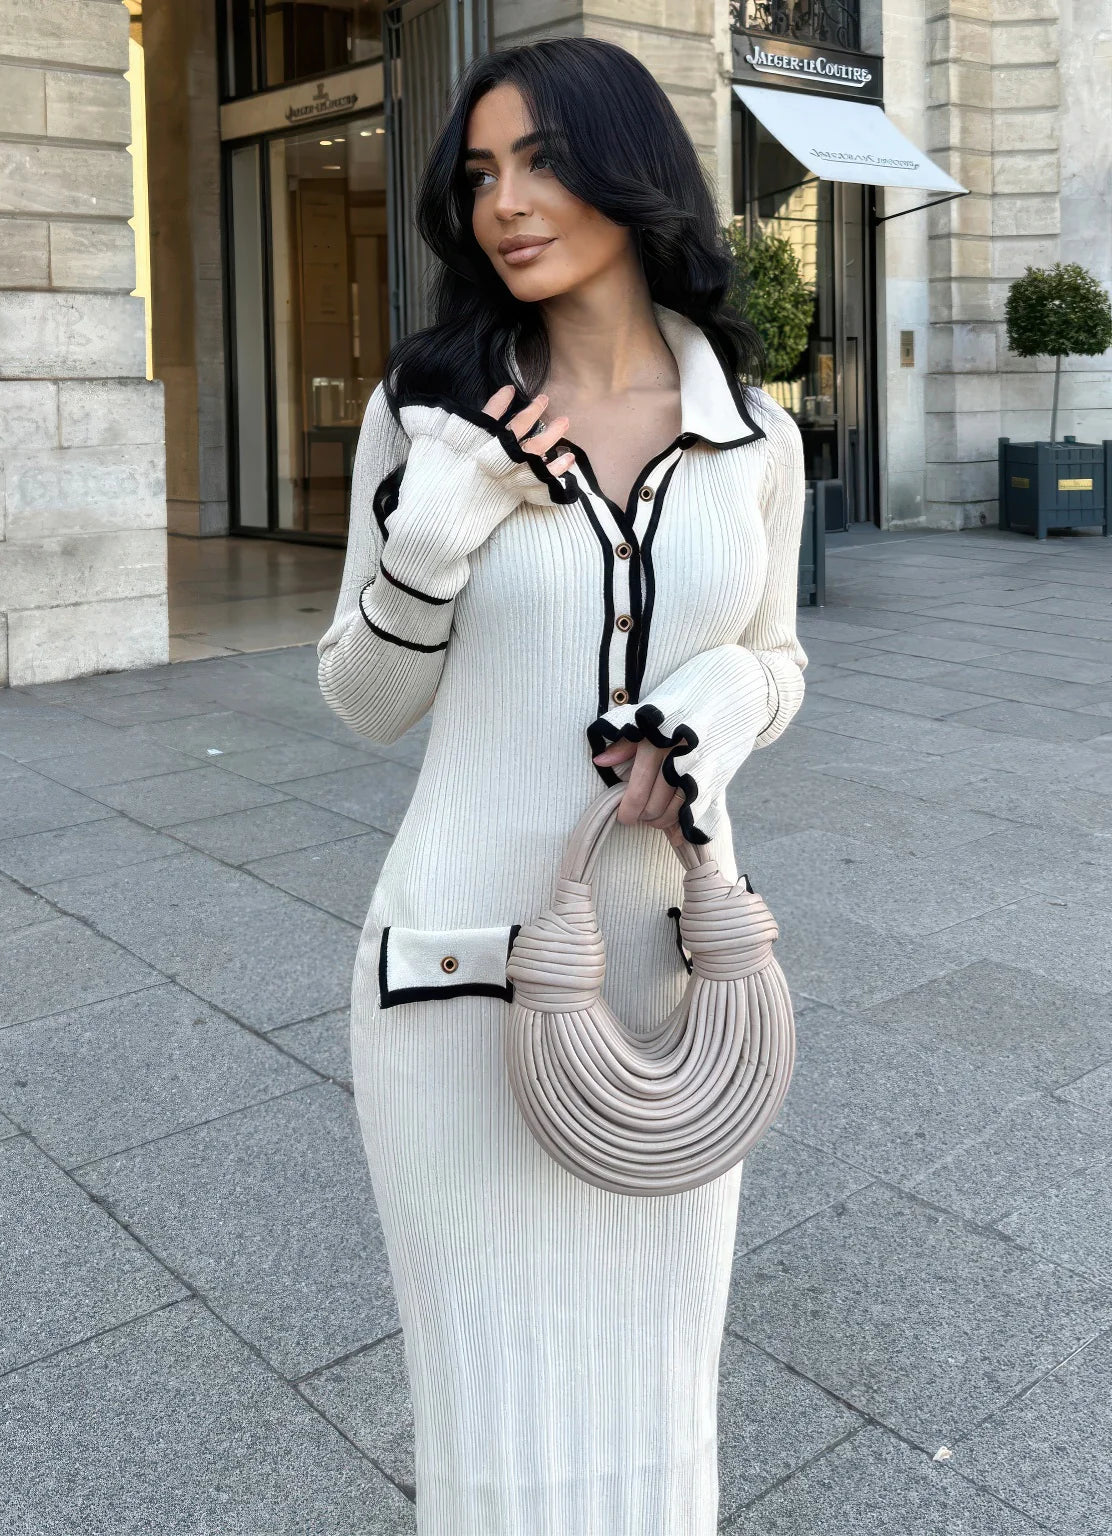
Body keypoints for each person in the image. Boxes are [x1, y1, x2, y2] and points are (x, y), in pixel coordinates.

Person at [317, 35, 808, 1535]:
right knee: (488, 1416)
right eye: (478, 174)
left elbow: (779, 658)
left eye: (539, 160)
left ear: (629, 167)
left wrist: (717, 707)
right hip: (453, 979)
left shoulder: (756, 435)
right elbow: (362, 699)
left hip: (663, 984)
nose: (505, 203)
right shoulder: (430, 409)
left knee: (659, 1413)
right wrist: (430, 539)